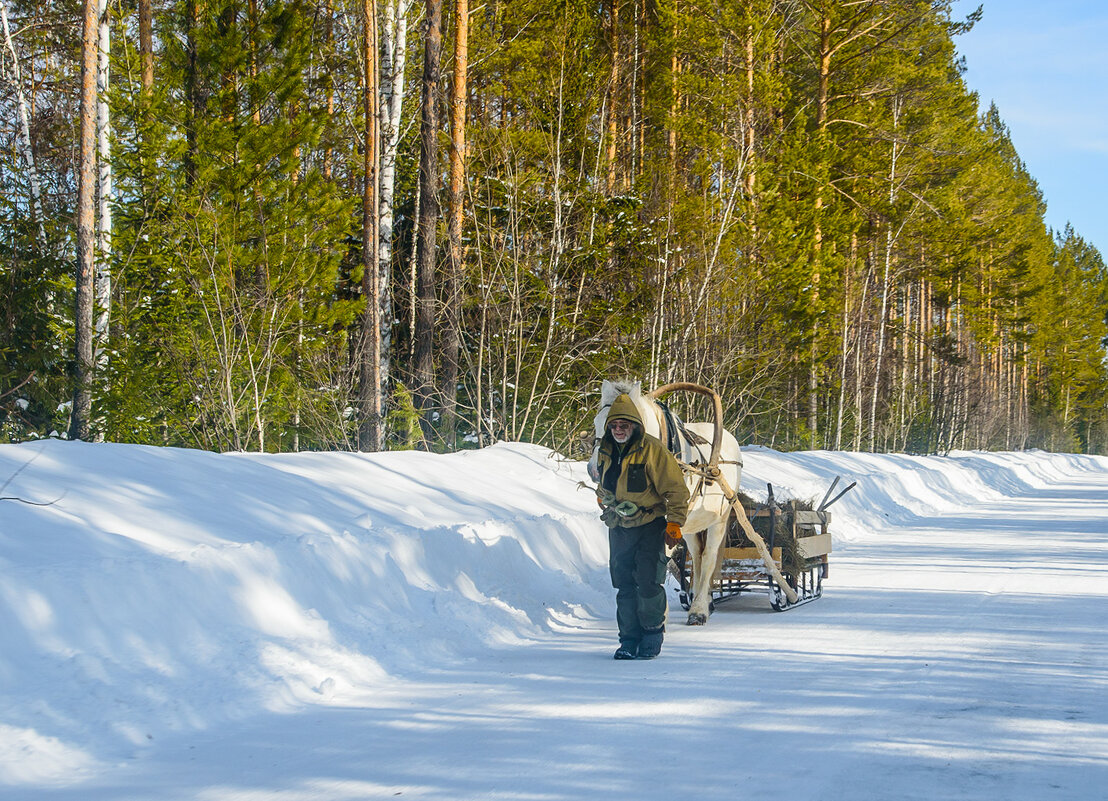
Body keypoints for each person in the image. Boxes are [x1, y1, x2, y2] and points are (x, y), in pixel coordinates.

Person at [594, 393, 690, 660]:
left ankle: (651, 633)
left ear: (635, 425)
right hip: (620, 527)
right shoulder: (605, 449)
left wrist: (674, 523)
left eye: (624, 425)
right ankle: (628, 639)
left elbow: (676, 490)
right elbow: (603, 484)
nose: (619, 430)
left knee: (648, 582)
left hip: (650, 526)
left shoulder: (653, 450)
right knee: (624, 585)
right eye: (614, 426)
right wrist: (604, 497)